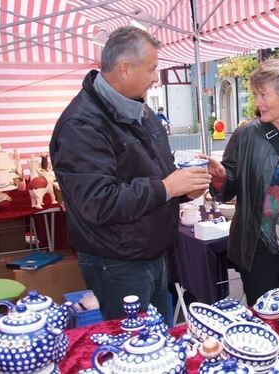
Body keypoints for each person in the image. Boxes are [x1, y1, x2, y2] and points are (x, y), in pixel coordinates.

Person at [50, 27, 211, 324]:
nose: (155, 77)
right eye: (151, 69)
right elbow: (98, 202)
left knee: (159, 339)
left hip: (151, 251)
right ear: (125, 69)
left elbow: (158, 170)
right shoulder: (81, 125)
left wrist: (184, 187)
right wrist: (166, 188)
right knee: (135, 347)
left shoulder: (139, 110)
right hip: (116, 259)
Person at [202, 59, 279, 306]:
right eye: (255, 95)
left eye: (263, 95)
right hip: (259, 252)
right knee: (262, 322)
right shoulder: (247, 135)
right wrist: (219, 179)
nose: (257, 103)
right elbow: (225, 192)